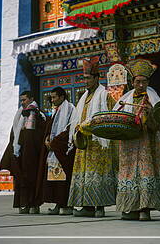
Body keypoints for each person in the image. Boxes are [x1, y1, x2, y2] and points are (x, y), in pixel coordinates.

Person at [113, 59, 160, 221]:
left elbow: (158, 124)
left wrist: (150, 114)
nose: (140, 84)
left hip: (146, 144)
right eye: (137, 81)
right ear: (132, 82)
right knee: (129, 174)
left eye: (144, 82)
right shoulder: (125, 99)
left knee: (145, 173)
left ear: (148, 82)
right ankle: (131, 207)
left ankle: (145, 209)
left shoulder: (153, 99)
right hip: (128, 144)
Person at [67, 56, 118, 217]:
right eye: (84, 78)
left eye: (88, 78)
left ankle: (100, 206)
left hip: (98, 143)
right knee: (85, 175)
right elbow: (77, 118)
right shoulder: (83, 97)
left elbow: (110, 116)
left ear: (97, 78)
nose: (85, 81)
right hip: (84, 142)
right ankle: (87, 206)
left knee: (98, 175)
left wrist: (94, 127)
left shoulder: (105, 95)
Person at [0, 91, 46, 214]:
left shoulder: (38, 114)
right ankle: (23, 203)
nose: (22, 102)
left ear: (31, 99)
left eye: (24, 100)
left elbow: (40, 134)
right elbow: (14, 134)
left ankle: (34, 205)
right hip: (20, 152)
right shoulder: (20, 114)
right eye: (21, 100)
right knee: (21, 179)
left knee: (33, 178)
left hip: (33, 154)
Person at [35, 87, 76, 215]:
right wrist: (47, 139)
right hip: (54, 151)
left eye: (54, 97)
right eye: (51, 97)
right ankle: (58, 205)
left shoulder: (70, 109)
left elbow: (70, 129)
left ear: (62, 97)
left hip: (63, 150)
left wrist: (55, 143)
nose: (52, 100)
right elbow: (51, 127)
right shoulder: (56, 111)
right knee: (55, 180)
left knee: (64, 180)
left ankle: (67, 206)